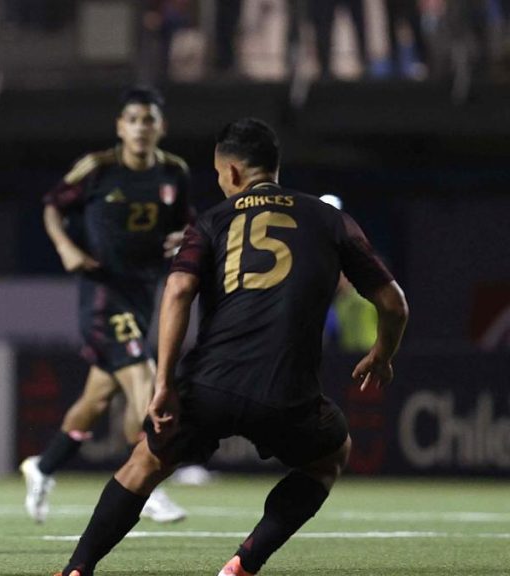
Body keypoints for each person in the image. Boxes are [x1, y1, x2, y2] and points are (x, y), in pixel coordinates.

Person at [56, 118, 408, 576]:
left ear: (234, 173)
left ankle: (77, 570)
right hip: (287, 392)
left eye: (221, 175)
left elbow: (179, 291)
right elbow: (394, 304)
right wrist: (382, 353)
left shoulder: (212, 220)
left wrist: (163, 382)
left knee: (143, 464)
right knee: (328, 459)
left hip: (210, 384)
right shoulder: (330, 219)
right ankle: (244, 564)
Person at [21, 87, 192, 525]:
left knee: (97, 398)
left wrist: (181, 241)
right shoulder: (98, 169)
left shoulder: (174, 173)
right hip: (101, 294)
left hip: (142, 295)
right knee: (144, 375)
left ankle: (43, 466)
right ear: (120, 126)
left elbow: (183, 227)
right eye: (132, 119)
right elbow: (51, 207)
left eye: (148, 120)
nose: (140, 127)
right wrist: (65, 247)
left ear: (161, 127)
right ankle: (149, 482)